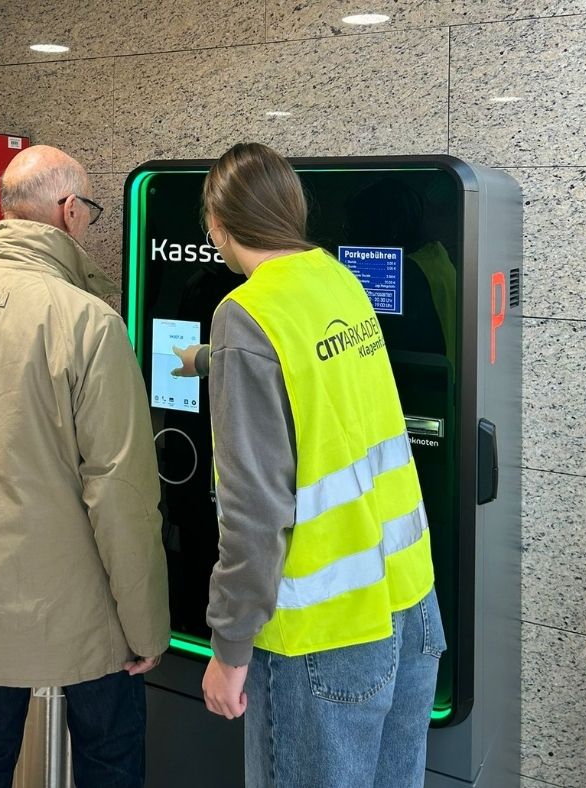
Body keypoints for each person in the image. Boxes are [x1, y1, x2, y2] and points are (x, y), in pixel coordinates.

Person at [176, 143, 445, 788]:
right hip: (406, 602)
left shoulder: (245, 314)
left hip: (320, 634)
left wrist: (229, 649)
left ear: (216, 226)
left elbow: (254, 511)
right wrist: (215, 359)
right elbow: (312, 372)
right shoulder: (335, 276)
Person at [0, 145, 170, 788]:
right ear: (69, 210)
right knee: (109, 749)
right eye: (90, 211)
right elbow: (119, 490)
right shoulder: (91, 321)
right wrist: (147, 624)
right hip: (83, 607)